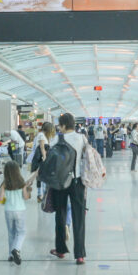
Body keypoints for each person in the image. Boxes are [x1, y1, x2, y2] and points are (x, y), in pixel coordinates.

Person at [49, 112, 88, 264]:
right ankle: (80, 254)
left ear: (64, 125)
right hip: (77, 181)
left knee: (60, 214)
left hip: (60, 181)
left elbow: (49, 158)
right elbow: (86, 156)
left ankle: (60, 249)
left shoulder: (56, 139)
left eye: (60, 125)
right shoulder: (82, 138)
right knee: (79, 216)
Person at [0, 160, 38, 264]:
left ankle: (10, 255)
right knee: (21, 232)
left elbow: (1, 198)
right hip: (20, 210)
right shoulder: (21, 183)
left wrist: (4, 201)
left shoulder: (4, 184)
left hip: (8, 211)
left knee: (11, 233)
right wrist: (28, 191)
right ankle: (16, 249)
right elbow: (25, 197)